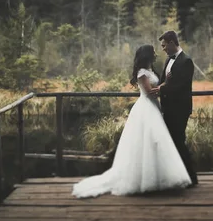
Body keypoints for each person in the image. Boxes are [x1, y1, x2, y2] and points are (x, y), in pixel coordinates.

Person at [71, 44, 191, 198]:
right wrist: (165, 85)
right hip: (146, 108)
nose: (156, 54)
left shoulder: (150, 71)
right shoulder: (142, 72)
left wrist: (164, 85)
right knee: (145, 143)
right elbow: (148, 92)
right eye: (153, 52)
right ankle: (144, 181)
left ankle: (158, 179)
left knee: (156, 143)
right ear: (147, 55)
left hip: (154, 107)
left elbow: (155, 88)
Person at [150, 31, 198, 186]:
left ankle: (191, 178)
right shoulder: (168, 60)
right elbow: (165, 81)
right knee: (171, 143)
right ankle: (177, 177)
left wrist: (160, 90)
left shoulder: (186, 61)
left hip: (180, 109)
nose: (163, 49)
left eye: (164, 45)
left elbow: (180, 86)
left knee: (178, 141)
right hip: (168, 109)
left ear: (171, 42)